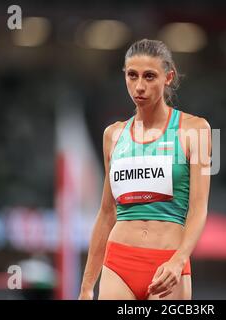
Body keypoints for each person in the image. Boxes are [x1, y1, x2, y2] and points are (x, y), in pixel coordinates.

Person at [79, 39, 211, 300]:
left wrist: (179, 260)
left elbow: (199, 208)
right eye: (132, 75)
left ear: (168, 77)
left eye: (150, 76)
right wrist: (86, 286)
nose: (139, 86)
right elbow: (106, 213)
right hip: (119, 263)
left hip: (167, 263)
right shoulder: (113, 135)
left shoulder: (199, 130)